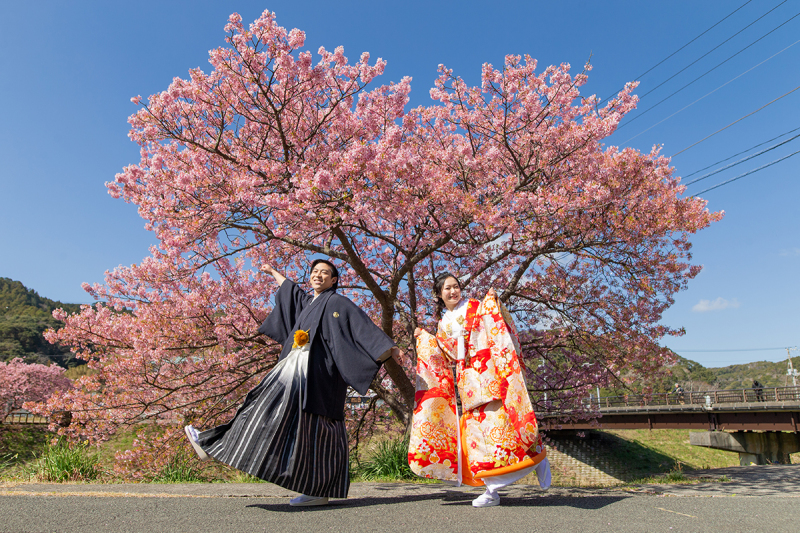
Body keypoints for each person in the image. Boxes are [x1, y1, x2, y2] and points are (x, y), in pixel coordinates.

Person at [184, 259, 399, 506]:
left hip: (319, 375)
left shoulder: (337, 302)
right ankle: (213, 444)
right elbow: (291, 292)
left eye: (325, 273)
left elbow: (361, 325)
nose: (318, 276)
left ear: (334, 280)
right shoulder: (309, 303)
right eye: (315, 272)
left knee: (316, 429)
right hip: (293, 367)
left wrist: (388, 348)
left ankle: (319, 491)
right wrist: (273, 271)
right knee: (267, 408)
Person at [409, 272, 550, 508]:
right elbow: (447, 355)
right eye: (447, 289)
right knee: (477, 437)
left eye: (456, 287)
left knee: (503, 424)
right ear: (439, 294)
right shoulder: (443, 323)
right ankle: (493, 489)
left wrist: (494, 301)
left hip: (489, 374)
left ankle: (536, 457)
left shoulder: (476, 306)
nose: (453, 292)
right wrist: (424, 338)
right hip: (467, 381)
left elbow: (495, 323)